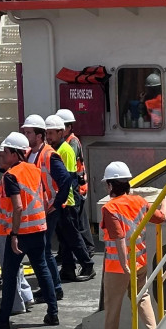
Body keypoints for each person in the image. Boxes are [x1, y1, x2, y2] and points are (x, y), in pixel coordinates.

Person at [0, 132, 60, 329]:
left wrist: (13, 235)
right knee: (42, 270)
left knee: (9, 274)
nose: (1, 156)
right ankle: (53, 313)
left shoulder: (10, 177)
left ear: (15, 154)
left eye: (4, 153)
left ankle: (3, 319)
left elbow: (18, 207)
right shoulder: (33, 170)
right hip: (38, 229)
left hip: (19, 233)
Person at [98, 161, 166, 329]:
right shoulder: (139, 201)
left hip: (118, 268)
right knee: (142, 298)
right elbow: (162, 218)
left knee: (112, 307)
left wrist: (123, 263)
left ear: (110, 185)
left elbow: (119, 237)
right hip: (140, 262)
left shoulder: (109, 208)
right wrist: (165, 201)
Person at [22, 114, 73, 303]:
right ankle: (50, 288)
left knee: (42, 250)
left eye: (29, 132)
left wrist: (56, 204)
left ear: (39, 135)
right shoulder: (29, 153)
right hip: (38, 209)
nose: (26, 135)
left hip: (48, 209)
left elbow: (66, 179)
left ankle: (54, 289)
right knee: (41, 250)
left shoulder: (49, 155)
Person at [45, 114, 95, 282]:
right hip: (62, 201)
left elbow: (68, 180)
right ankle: (68, 268)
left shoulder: (64, 150)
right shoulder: (57, 149)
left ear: (61, 132)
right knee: (64, 237)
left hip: (67, 201)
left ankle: (87, 265)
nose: (48, 137)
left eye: (52, 133)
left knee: (72, 236)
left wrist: (63, 201)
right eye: (47, 133)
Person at [56, 108, 96, 255]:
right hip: (75, 187)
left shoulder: (71, 143)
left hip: (77, 187)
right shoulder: (67, 142)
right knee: (72, 223)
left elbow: (69, 169)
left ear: (68, 127)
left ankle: (88, 249)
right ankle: (66, 252)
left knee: (77, 222)